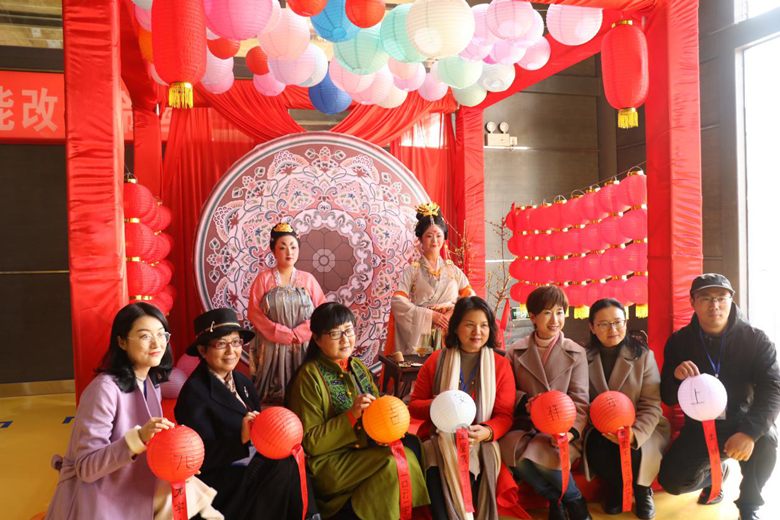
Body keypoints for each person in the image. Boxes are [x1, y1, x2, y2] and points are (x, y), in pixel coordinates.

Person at [46, 303, 221, 520]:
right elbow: (86, 467)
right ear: (122, 342)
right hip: (98, 498)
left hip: (132, 483)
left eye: (161, 334)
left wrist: (177, 459)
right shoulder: (104, 389)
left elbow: (148, 448)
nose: (157, 343)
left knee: (191, 492)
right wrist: (137, 438)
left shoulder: (150, 382)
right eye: (145, 336)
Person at [286, 302, 430, 519]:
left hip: (364, 450)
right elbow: (311, 442)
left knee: (409, 447)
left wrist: (384, 433)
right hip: (328, 463)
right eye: (335, 334)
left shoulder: (357, 367)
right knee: (393, 462)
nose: (345, 340)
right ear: (317, 339)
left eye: (349, 331)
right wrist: (351, 416)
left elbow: (378, 412)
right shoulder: (309, 377)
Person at [174, 308, 317, 520]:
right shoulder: (194, 393)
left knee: (291, 452)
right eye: (221, 344)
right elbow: (197, 459)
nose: (231, 351)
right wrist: (240, 439)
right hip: (221, 478)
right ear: (203, 350)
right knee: (278, 465)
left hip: (250, 459)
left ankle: (309, 515)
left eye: (235, 342)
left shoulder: (242, 381)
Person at [658, 274, 780, 520]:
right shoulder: (679, 342)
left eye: (721, 298)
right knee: (671, 481)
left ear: (731, 300)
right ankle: (717, 474)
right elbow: (668, 397)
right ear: (692, 302)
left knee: (766, 440)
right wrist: (676, 377)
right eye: (705, 298)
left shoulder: (756, 339)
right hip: (699, 426)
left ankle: (749, 506)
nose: (714, 305)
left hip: (743, 420)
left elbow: (773, 389)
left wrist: (749, 433)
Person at [408, 296, 527, 520]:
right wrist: (439, 405)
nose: (477, 332)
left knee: (471, 460)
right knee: (433, 461)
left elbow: (504, 415)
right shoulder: (435, 360)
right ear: (456, 327)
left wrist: (487, 431)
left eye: (483, 325)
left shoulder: (500, 365)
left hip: (478, 438)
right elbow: (414, 406)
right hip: (438, 436)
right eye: (470, 325)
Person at [499, 286, 591, 520]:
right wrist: (525, 402)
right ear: (533, 317)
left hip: (560, 428)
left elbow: (580, 400)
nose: (555, 320)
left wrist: (571, 432)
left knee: (543, 453)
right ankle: (561, 497)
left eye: (559, 312)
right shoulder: (515, 351)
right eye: (547, 313)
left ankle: (572, 501)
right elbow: (506, 392)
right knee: (509, 448)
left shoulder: (576, 353)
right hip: (526, 424)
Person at [581, 299, 670, 519]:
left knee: (637, 448)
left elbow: (651, 404)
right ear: (592, 327)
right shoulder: (582, 358)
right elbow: (579, 398)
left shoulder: (643, 356)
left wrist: (634, 434)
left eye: (618, 322)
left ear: (626, 322)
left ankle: (642, 491)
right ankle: (617, 487)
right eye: (603, 324)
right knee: (598, 448)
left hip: (641, 424)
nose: (612, 330)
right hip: (600, 426)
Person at [248, 222, 326, 401]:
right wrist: (277, 332)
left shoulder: (308, 279)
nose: (289, 252)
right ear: (274, 251)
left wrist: (301, 332)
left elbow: (322, 311)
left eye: (293, 247)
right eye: (282, 247)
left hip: (302, 343)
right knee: (270, 396)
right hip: (271, 345)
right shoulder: (263, 279)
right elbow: (253, 312)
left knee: (304, 390)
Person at [387, 202, 474, 356]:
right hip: (424, 335)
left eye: (438, 235)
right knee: (426, 366)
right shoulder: (412, 271)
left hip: (451, 329)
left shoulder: (454, 271)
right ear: (420, 239)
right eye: (429, 236)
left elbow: (470, 298)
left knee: (452, 366)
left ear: (444, 238)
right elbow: (398, 302)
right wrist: (429, 316)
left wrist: (453, 313)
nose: (434, 240)